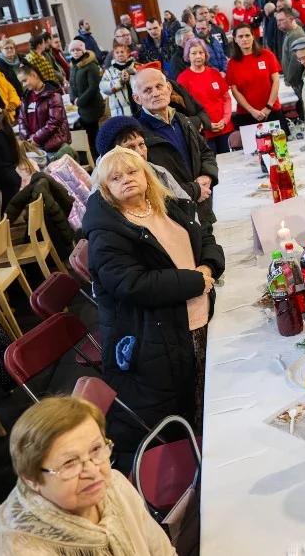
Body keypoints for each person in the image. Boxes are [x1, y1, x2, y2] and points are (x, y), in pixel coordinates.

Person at [83, 148, 223, 450]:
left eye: (132, 172)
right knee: (198, 412)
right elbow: (131, 284)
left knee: (216, 397)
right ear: (106, 188)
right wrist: (194, 281)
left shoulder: (165, 204)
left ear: (146, 175)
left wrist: (209, 267)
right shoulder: (107, 232)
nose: (127, 180)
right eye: (116, 178)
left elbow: (206, 237)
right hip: (159, 337)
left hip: (200, 317)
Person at [0, 397, 175, 554]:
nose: (93, 472)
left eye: (96, 449)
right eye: (69, 463)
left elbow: (161, 551)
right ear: (31, 479)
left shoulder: (115, 484)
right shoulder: (16, 550)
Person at [131, 68, 219, 225]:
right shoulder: (137, 136)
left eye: (159, 86)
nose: (156, 93)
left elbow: (206, 152)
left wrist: (207, 176)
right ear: (137, 98)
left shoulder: (183, 120)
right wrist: (194, 190)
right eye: (147, 90)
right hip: (172, 218)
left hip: (202, 209)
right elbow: (149, 181)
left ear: (169, 88)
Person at [93, 116, 190, 200]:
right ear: (112, 154)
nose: (140, 153)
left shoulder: (159, 171)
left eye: (141, 144)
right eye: (130, 147)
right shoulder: (102, 188)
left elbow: (186, 204)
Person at [175, 38, 233, 154]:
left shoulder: (214, 73)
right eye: (194, 53)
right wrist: (206, 124)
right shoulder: (182, 79)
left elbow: (226, 99)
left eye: (201, 53)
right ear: (188, 56)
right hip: (203, 133)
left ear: (206, 54)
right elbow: (184, 110)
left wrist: (225, 120)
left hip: (225, 129)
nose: (198, 56)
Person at [225, 23, 283, 129]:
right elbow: (235, 91)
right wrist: (251, 110)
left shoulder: (267, 55)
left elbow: (276, 81)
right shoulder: (232, 63)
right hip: (247, 115)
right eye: (240, 36)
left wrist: (268, 107)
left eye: (247, 35)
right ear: (235, 39)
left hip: (272, 111)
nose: (244, 39)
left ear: (253, 36)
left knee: (280, 145)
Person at [18, 65, 70, 156]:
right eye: (22, 82)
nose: (24, 85)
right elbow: (21, 119)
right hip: (34, 146)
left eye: (25, 80)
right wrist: (28, 137)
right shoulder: (26, 97)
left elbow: (54, 121)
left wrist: (37, 138)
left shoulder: (53, 94)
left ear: (34, 75)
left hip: (53, 145)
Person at [67, 39, 104, 152]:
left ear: (83, 50)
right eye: (72, 50)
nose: (75, 52)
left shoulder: (91, 65)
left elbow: (93, 87)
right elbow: (71, 84)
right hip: (82, 107)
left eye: (78, 49)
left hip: (92, 106)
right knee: (89, 134)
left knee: (94, 134)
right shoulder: (74, 65)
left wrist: (80, 101)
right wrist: (73, 99)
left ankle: (98, 155)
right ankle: (94, 154)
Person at [99, 41, 138, 118]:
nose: (120, 54)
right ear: (114, 55)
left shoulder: (136, 67)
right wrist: (120, 82)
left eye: (122, 52)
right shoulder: (109, 72)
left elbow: (143, 82)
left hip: (138, 106)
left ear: (127, 53)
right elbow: (103, 88)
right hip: (120, 111)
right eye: (117, 52)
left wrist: (131, 77)